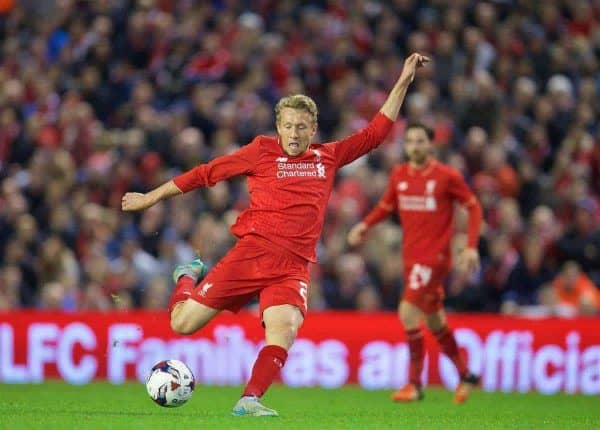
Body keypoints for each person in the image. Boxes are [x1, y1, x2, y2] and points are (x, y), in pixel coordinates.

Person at [122, 53, 430, 417]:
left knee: (285, 330)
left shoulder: (327, 157)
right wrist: (150, 197)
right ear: (278, 127)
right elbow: (205, 173)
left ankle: (249, 399)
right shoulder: (260, 151)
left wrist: (404, 79)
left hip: (293, 267)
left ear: (313, 128)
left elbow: (376, 133)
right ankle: (187, 276)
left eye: (301, 126)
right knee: (182, 324)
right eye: (288, 126)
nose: (294, 134)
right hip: (252, 253)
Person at [347, 122, 483, 404]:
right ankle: (465, 374)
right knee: (434, 319)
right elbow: (386, 206)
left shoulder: (446, 176)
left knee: (407, 310)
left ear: (431, 145)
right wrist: (364, 225)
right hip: (411, 257)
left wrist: (470, 247)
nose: (415, 146)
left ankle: (414, 383)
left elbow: (473, 206)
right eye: (410, 141)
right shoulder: (399, 175)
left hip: (435, 257)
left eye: (420, 141)